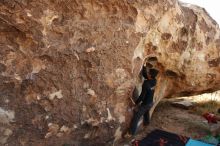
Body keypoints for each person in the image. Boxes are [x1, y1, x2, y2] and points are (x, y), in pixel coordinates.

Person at [126, 67, 159, 137]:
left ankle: (130, 133)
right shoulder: (154, 80)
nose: (147, 73)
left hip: (145, 104)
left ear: (150, 75)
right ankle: (147, 123)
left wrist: (135, 103)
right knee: (146, 112)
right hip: (151, 102)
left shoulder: (146, 84)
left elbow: (142, 96)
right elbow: (146, 75)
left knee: (136, 117)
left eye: (148, 72)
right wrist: (143, 67)